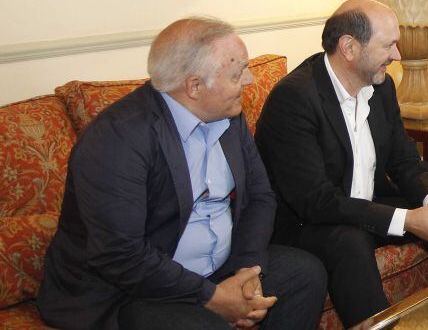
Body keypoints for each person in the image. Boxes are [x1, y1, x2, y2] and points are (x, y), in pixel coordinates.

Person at [37, 18, 327, 330]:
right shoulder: (118, 138)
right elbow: (120, 255)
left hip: (215, 267)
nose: (250, 79)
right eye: (237, 72)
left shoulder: (228, 115)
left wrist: (247, 272)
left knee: (305, 275)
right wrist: (212, 297)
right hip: (130, 291)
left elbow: (260, 195)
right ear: (194, 86)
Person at [254, 0, 428, 326]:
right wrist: (406, 220)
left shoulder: (380, 87)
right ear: (349, 47)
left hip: (362, 207)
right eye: (388, 45)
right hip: (308, 224)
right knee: (348, 242)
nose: (398, 56)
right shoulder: (295, 98)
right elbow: (317, 202)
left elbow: (404, 159)